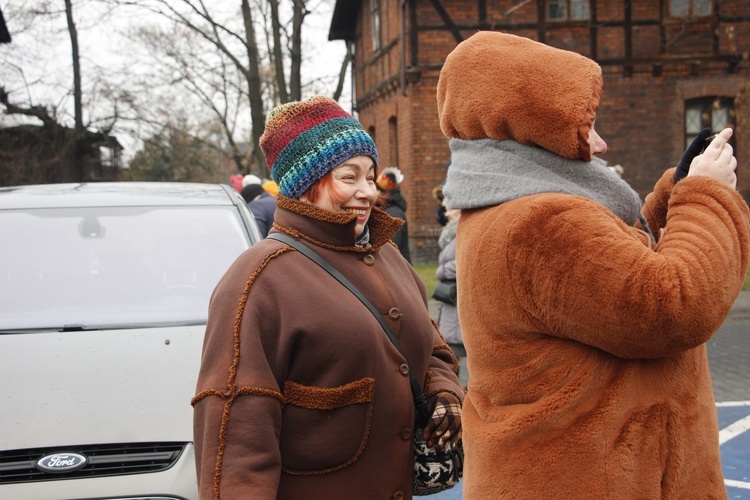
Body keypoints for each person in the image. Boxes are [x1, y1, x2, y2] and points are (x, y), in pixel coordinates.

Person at [436, 31, 748, 499]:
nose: (599, 144)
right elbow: (670, 306)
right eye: (584, 127)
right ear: (534, 127)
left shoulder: (511, 208)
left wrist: (673, 197)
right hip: (592, 480)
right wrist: (709, 197)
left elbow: (611, 266)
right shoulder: (540, 222)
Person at [192, 95, 464, 499]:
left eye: (370, 178)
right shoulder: (257, 279)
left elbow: (431, 347)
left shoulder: (388, 256)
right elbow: (237, 438)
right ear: (305, 185)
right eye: (349, 177)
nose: (367, 192)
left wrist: (444, 390)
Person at [434, 202, 466, 387]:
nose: (446, 213)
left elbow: (461, 262)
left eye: (449, 209)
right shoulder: (452, 232)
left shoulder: (462, 232)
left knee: (454, 353)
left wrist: (441, 271)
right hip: (451, 301)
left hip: (457, 301)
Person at [376, 166, 412, 262]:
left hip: (398, 269)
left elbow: (391, 248)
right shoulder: (387, 211)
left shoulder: (394, 214)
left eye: (377, 190)